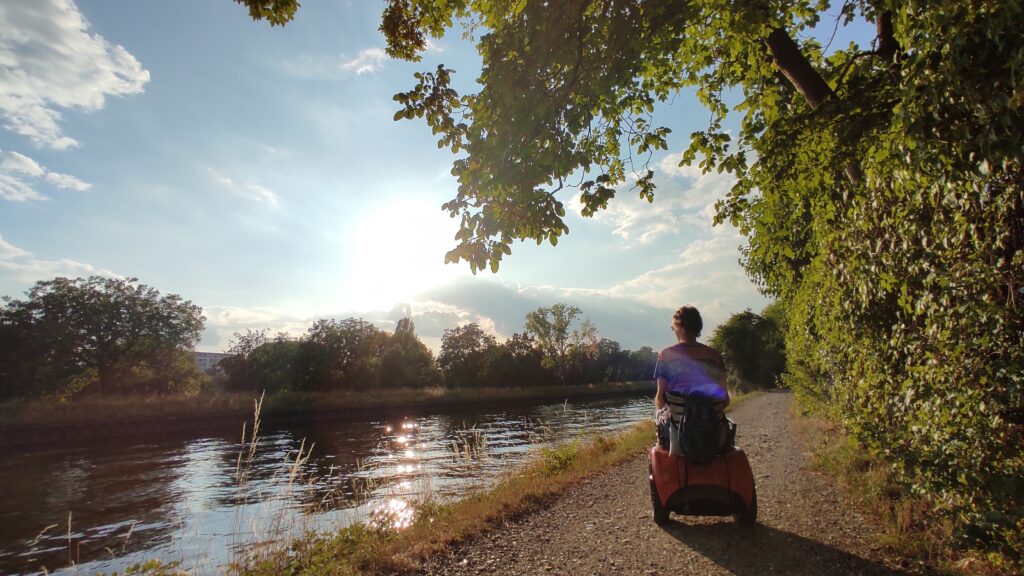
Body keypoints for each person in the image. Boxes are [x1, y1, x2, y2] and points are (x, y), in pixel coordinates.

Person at [654, 306, 730, 451]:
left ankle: (662, 446)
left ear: (679, 327)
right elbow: (725, 400)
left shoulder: (666, 355)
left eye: (673, 327)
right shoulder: (714, 356)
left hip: (678, 437)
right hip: (713, 435)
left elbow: (660, 400)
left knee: (658, 409)